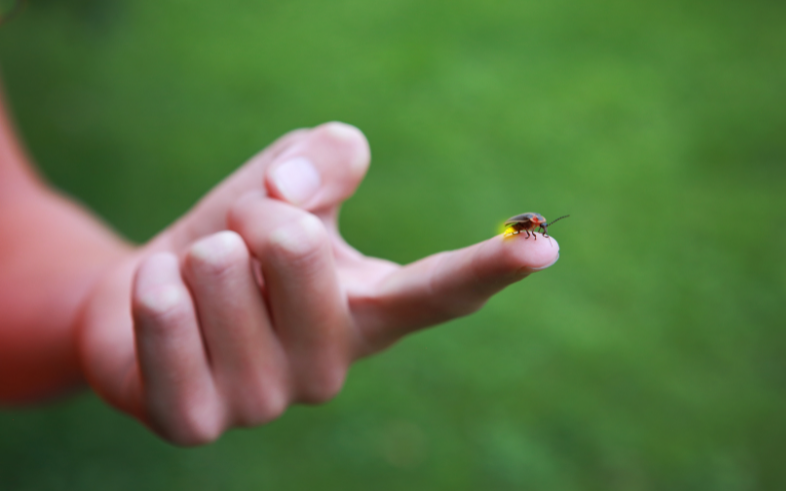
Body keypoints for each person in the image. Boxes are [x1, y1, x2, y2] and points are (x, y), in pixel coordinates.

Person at [0, 86, 560, 445]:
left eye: (530, 230)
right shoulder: (521, 223)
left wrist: (99, 305)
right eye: (532, 229)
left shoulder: (525, 228)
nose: (531, 232)